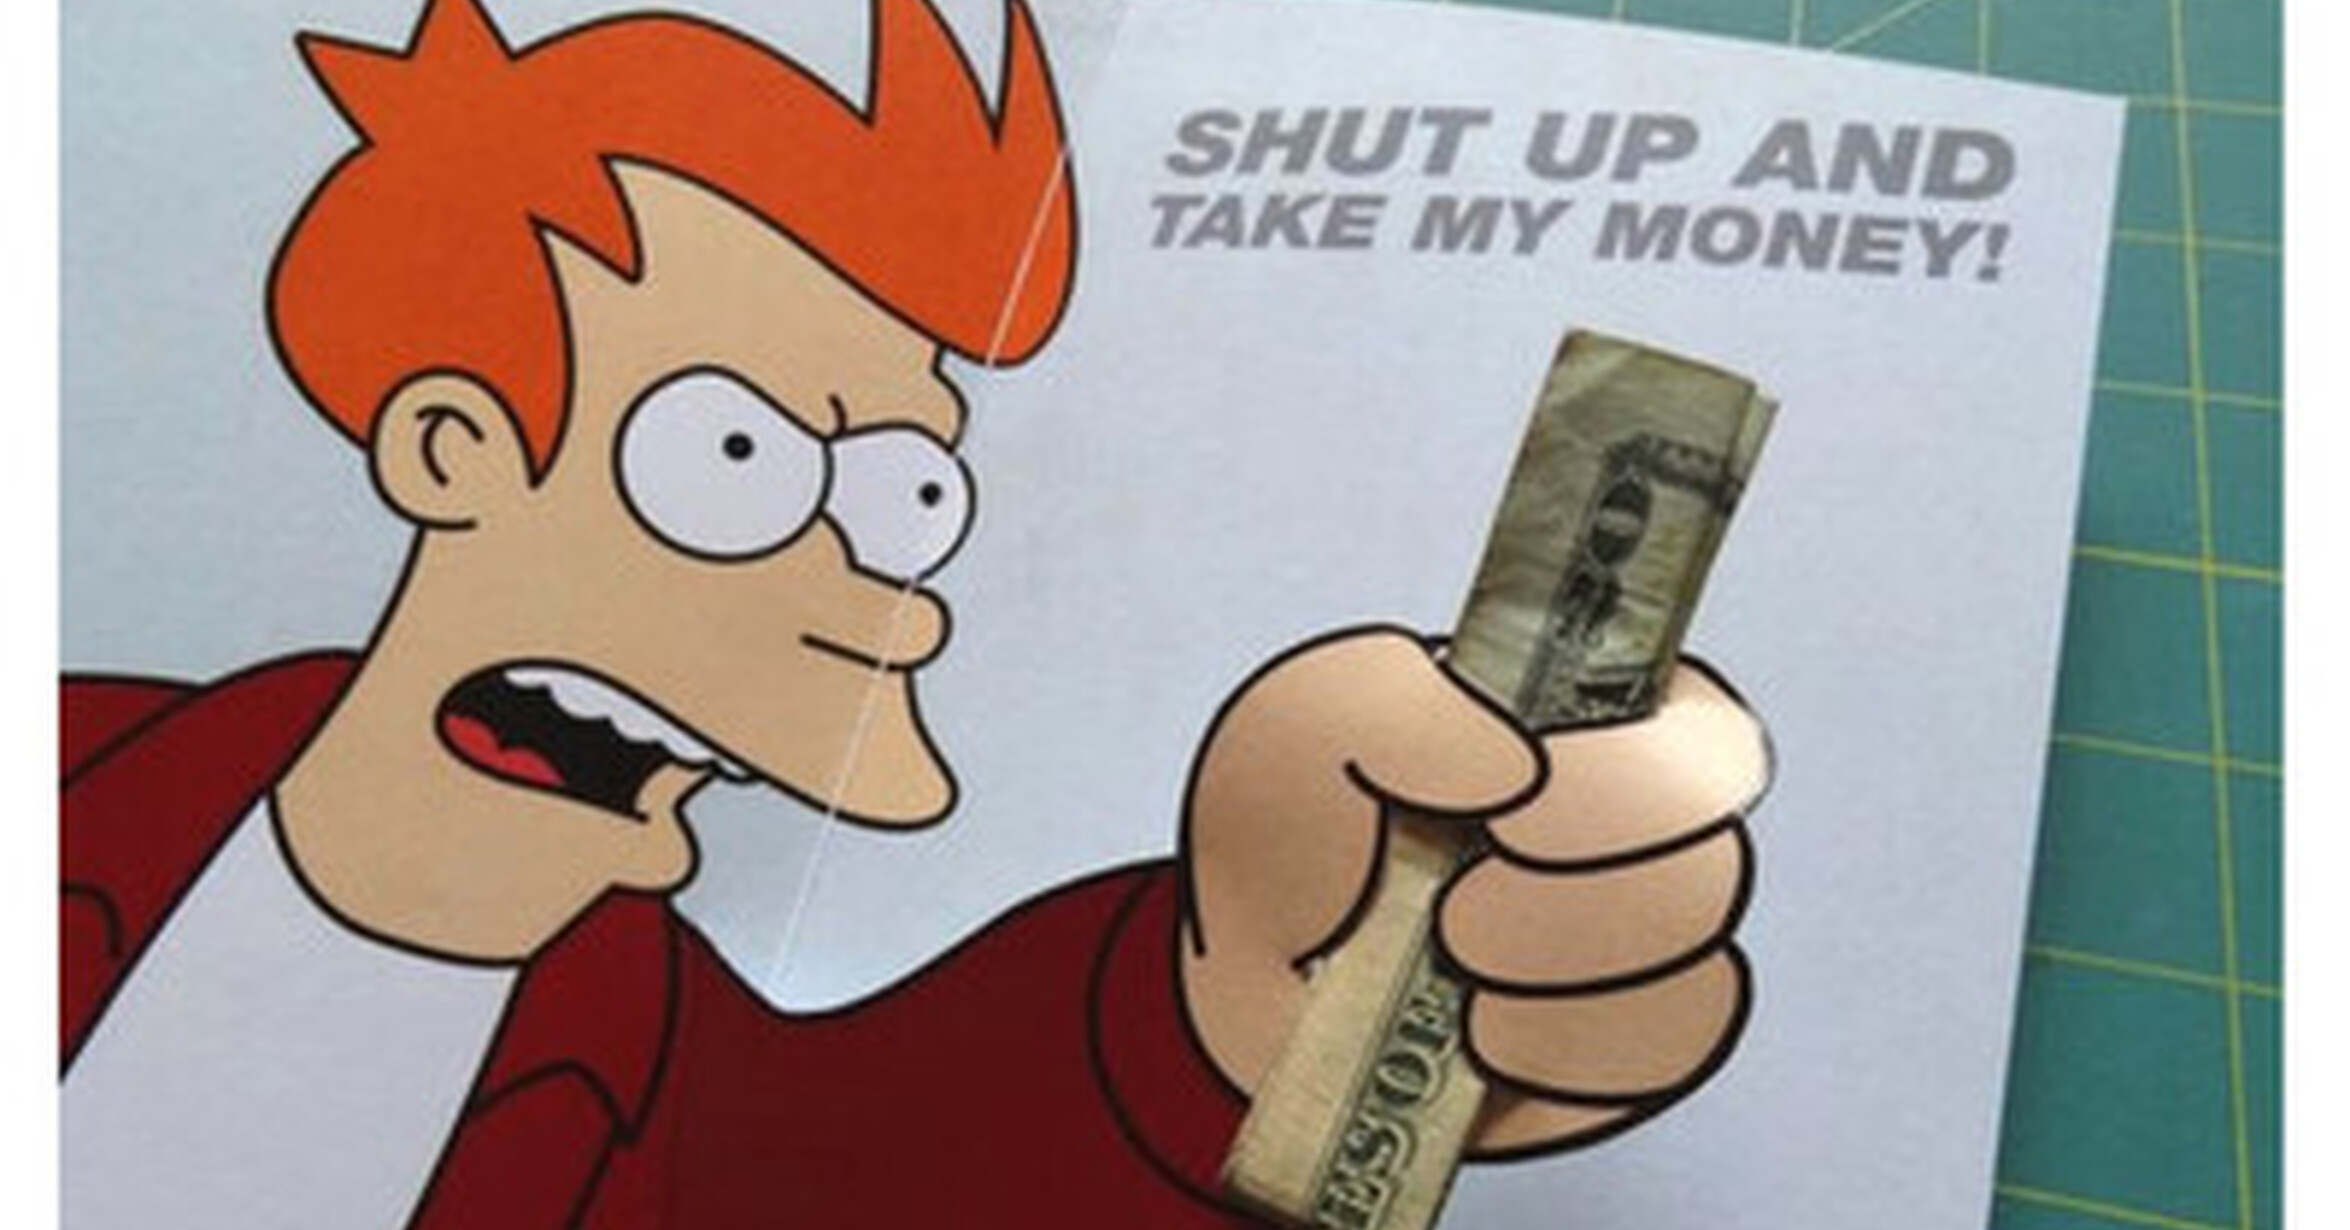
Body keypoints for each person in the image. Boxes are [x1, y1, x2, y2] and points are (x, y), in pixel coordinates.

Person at [59, 0, 1770, 1225]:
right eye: (732, 457)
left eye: (905, 499)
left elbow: (928, 1136)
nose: (882, 598)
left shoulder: (663, 1091)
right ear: (455, 448)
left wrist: (1224, 1003)